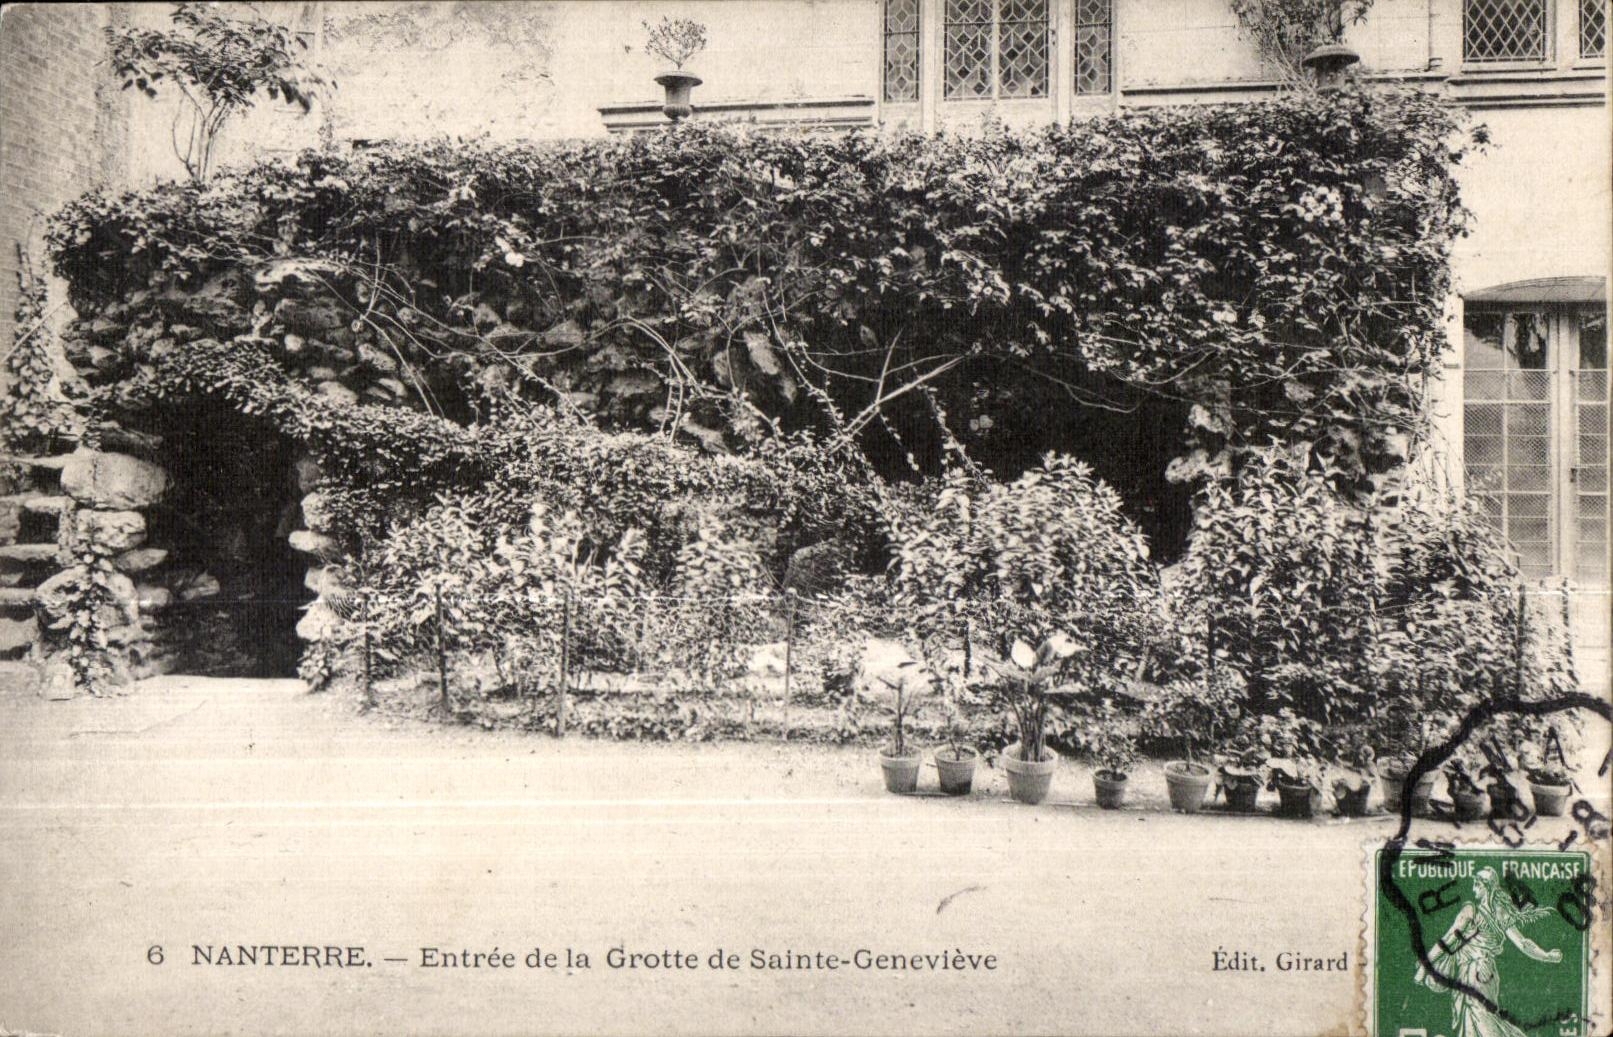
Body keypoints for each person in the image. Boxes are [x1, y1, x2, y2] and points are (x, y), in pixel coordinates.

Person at [1414, 866, 1563, 1037]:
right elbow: (1523, 943)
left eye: (1476, 884)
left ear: (1486, 887)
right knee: (1474, 1024)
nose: (1473, 888)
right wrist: (1546, 956)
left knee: (1482, 1022)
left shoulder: (1470, 911)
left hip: (1475, 974)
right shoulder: (1500, 913)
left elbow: (1447, 941)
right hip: (1484, 974)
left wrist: (1425, 965)